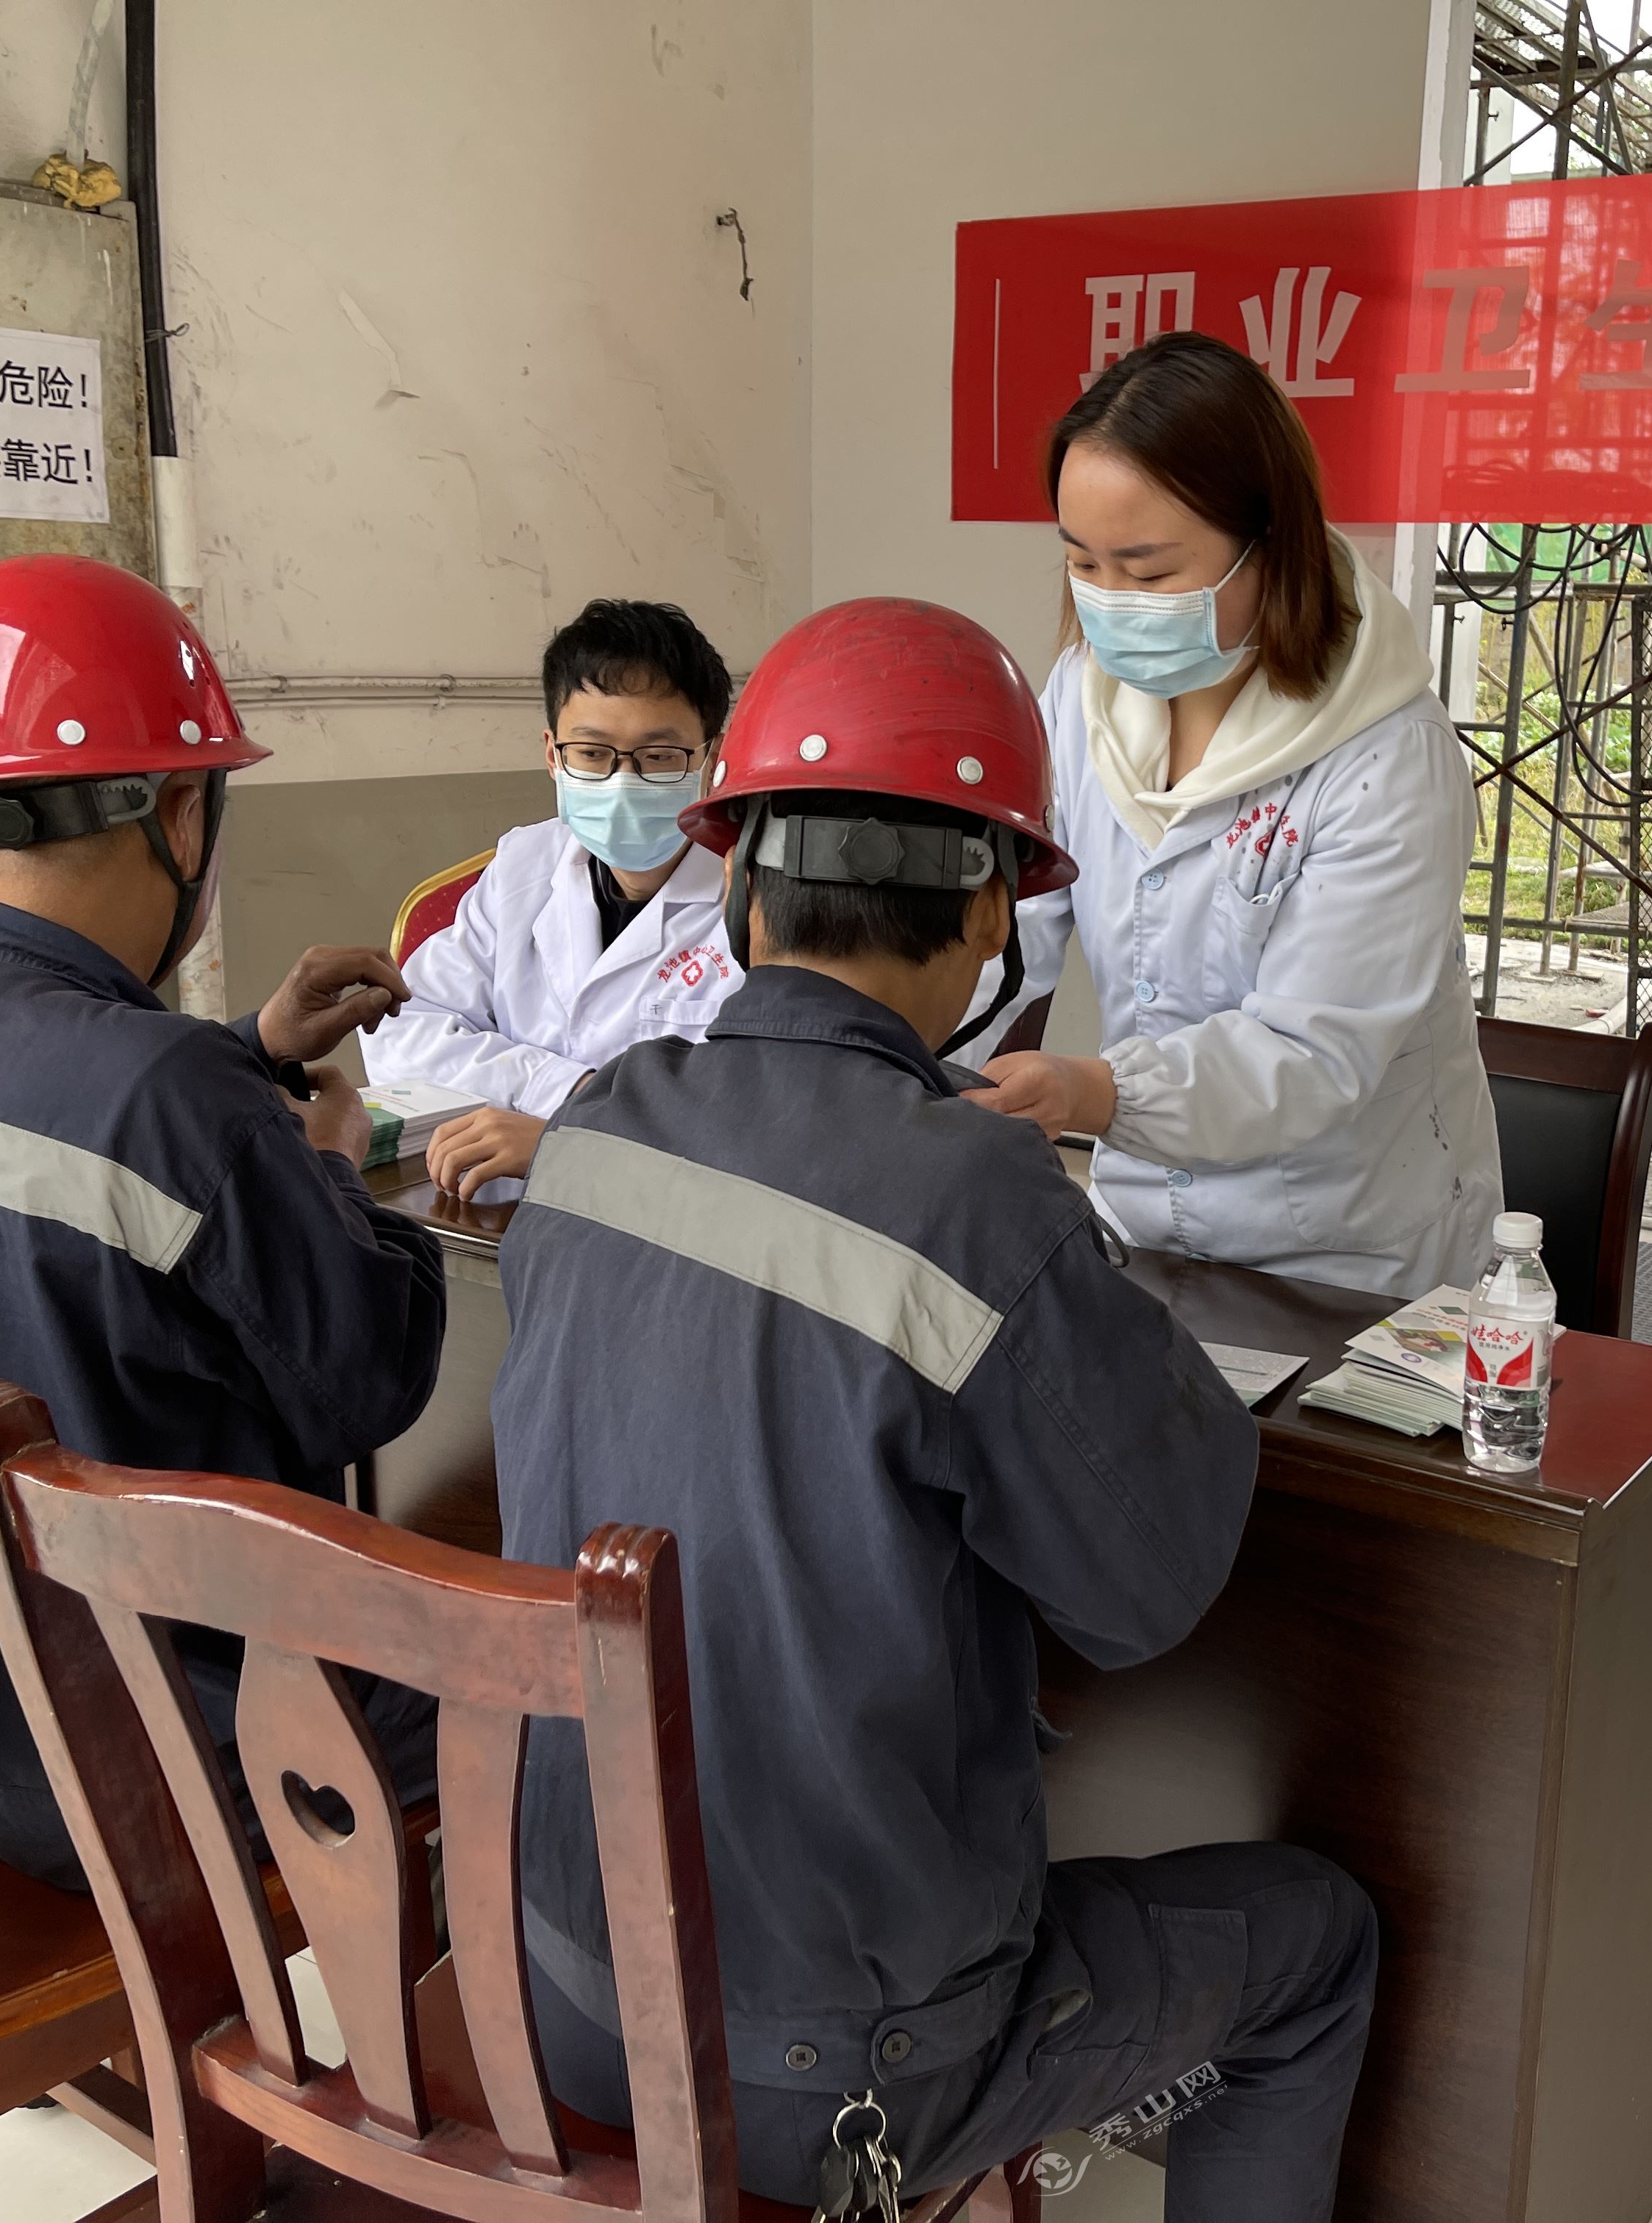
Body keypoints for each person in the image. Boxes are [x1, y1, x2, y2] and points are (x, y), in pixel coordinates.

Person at [493, 598, 1378, 2221]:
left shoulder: (601, 1125)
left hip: (558, 1988)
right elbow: (1148, 1589)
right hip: (834, 2075)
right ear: (989, 913)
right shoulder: (973, 1193)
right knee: (1315, 1940)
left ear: (740, 890)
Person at [0, 554, 445, 1891]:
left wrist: (246, 1050)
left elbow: (37, 1099)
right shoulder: (171, 1101)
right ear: (181, 815)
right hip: (165, 1784)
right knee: (528, 1697)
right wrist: (333, 1167)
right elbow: (369, 1380)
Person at [968, 330, 1501, 1300]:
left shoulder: (1387, 755)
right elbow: (1007, 919)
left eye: (1149, 572)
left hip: (1348, 1251)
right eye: (1083, 563)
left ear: (1269, 547)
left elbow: (1312, 1053)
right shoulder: (1083, 697)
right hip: (1143, 1223)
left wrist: (1091, 1090)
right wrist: (897, 1044)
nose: (1110, 603)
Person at [364, 598, 743, 1202]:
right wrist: (566, 1090)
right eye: (591, 754)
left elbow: (748, 1120)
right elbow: (403, 1033)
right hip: (493, 1214)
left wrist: (567, 1137)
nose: (622, 783)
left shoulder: (757, 898)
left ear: (713, 759)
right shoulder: (525, 864)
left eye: (659, 757)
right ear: (552, 755)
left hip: (663, 1225)